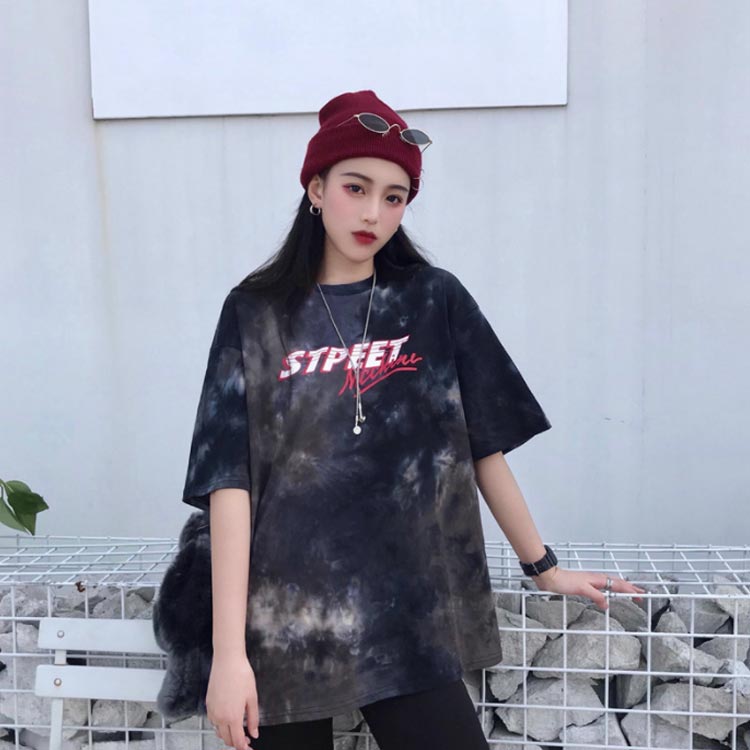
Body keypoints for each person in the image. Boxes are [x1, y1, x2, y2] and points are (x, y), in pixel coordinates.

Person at [159, 89, 647, 750]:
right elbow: (230, 484)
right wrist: (228, 657)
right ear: (316, 189)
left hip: (407, 615)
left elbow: (481, 445)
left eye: (394, 197)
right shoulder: (255, 312)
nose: (373, 213)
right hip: (283, 621)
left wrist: (544, 566)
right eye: (356, 187)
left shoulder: (432, 299)